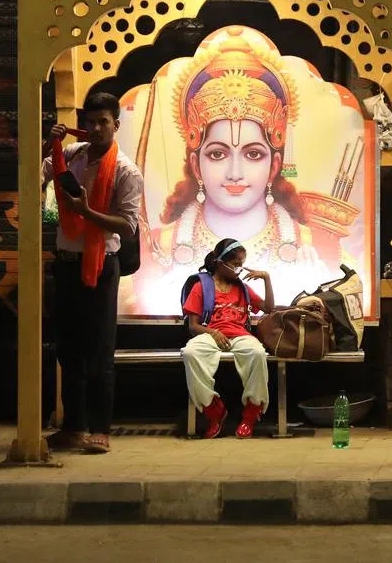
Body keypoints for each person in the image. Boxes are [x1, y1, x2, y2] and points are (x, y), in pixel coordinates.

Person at [137, 26, 328, 309]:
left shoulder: (316, 247)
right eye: (217, 154)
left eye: (253, 154)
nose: (235, 172)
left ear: (275, 165)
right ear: (196, 165)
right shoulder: (159, 248)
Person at [42, 92, 144, 454]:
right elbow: (39, 175)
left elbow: (128, 226)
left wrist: (85, 212)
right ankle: (73, 427)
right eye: (91, 122)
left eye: (104, 122)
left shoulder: (126, 171)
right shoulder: (71, 156)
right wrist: (49, 143)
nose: (97, 128)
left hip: (102, 268)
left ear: (116, 125)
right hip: (67, 264)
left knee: (98, 350)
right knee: (67, 350)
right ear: (83, 125)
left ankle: (100, 428)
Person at [181, 238, 275, 439]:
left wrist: (266, 278)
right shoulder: (201, 286)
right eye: (236, 264)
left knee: (257, 353)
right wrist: (213, 333)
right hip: (211, 333)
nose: (239, 269)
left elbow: (269, 308)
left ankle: (251, 413)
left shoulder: (241, 287)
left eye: (242, 264)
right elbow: (193, 326)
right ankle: (214, 411)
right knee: (190, 352)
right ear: (220, 262)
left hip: (239, 334)